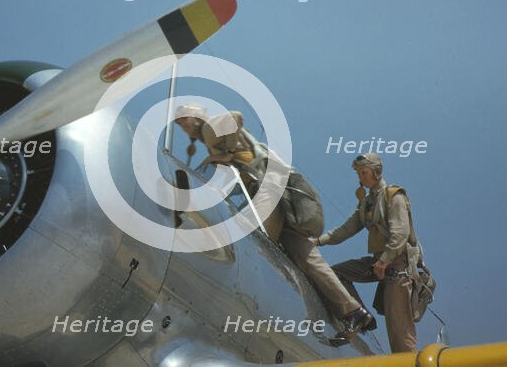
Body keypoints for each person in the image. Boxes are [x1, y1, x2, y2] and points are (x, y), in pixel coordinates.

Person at [174, 103, 373, 338]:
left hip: (268, 190)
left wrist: (221, 153)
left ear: (194, 116)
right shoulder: (209, 135)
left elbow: (235, 117)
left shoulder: (209, 128)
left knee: (245, 238)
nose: (183, 127)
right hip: (279, 198)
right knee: (307, 259)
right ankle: (354, 312)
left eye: (183, 120)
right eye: (179, 124)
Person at [314, 153, 418, 352]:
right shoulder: (367, 203)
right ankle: (360, 315)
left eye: (364, 172)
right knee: (335, 275)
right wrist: (319, 241)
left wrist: (383, 262)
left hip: (397, 269)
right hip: (379, 263)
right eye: (358, 173)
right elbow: (346, 229)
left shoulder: (394, 196)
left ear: (376, 172)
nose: (361, 177)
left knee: (399, 334)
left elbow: (400, 234)